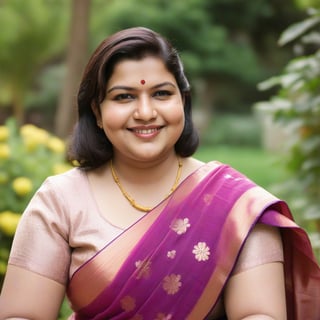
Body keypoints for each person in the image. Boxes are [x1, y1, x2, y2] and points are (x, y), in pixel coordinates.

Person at [0, 27, 319, 320]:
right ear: (97, 112)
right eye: (124, 97)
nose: (145, 113)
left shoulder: (235, 205)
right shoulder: (61, 200)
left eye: (162, 94)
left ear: (184, 101)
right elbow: (22, 315)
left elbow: (259, 315)